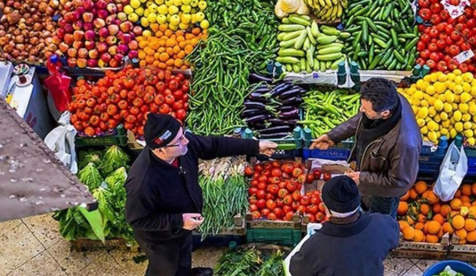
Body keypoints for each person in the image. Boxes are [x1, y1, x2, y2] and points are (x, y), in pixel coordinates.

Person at [125, 113, 277, 276]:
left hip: (183, 225)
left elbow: (214, 145)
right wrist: (179, 220)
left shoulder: (181, 148)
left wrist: (256, 146)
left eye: (183, 134)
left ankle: (186, 272)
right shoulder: (142, 182)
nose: (186, 141)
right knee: (166, 267)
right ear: (161, 149)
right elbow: (137, 220)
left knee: (183, 255)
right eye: (179, 141)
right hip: (160, 237)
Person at [311, 77, 421, 217]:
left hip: (384, 192)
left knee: (380, 218)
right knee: (366, 202)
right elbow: (362, 118)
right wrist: (334, 136)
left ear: (385, 113)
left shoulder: (405, 144)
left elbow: (399, 182)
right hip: (372, 171)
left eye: (366, 108)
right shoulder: (391, 99)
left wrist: (362, 178)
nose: (361, 110)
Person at [289, 176, 399, 276]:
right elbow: (394, 241)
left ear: (326, 208)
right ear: (358, 201)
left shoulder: (313, 248)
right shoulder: (383, 224)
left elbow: (296, 270)